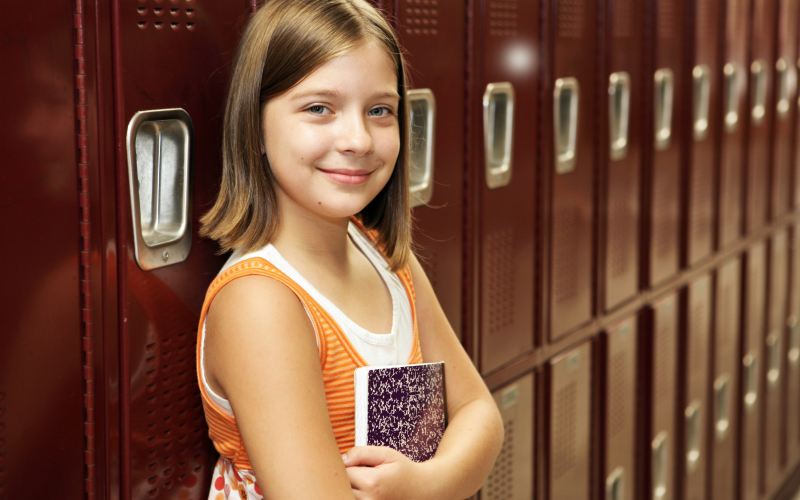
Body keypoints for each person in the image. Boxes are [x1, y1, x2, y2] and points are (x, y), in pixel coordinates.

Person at [196, 0, 504, 498]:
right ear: (254, 125)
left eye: (380, 110)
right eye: (320, 108)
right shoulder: (261, 302)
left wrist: (423, 485)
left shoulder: (386, 259)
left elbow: (480, 416)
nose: (358, 138)